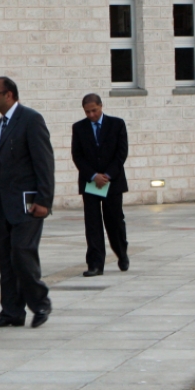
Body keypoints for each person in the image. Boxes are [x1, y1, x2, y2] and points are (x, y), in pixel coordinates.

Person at [0, 77, 54, 329]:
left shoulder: (30, 119)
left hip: (28, 203)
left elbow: (44, 162)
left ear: (10, 95)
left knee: (22, 253)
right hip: (2, 205)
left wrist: (44, 199)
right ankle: (12, 311)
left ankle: (40, 302)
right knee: (6, 260)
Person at [71, 94, 130, 276]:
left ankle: (121, 252)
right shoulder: (79, 128)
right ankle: (95, 264)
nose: (91, 115)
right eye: (87, 112)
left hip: (112, 182)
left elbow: (121, 154)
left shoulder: (116, 124)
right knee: (93, 223)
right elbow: (77, 156)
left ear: (101, 106)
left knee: (114, 221)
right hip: (91, 182)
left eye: (94, 111)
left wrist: (107, 175)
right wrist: (93, 175)